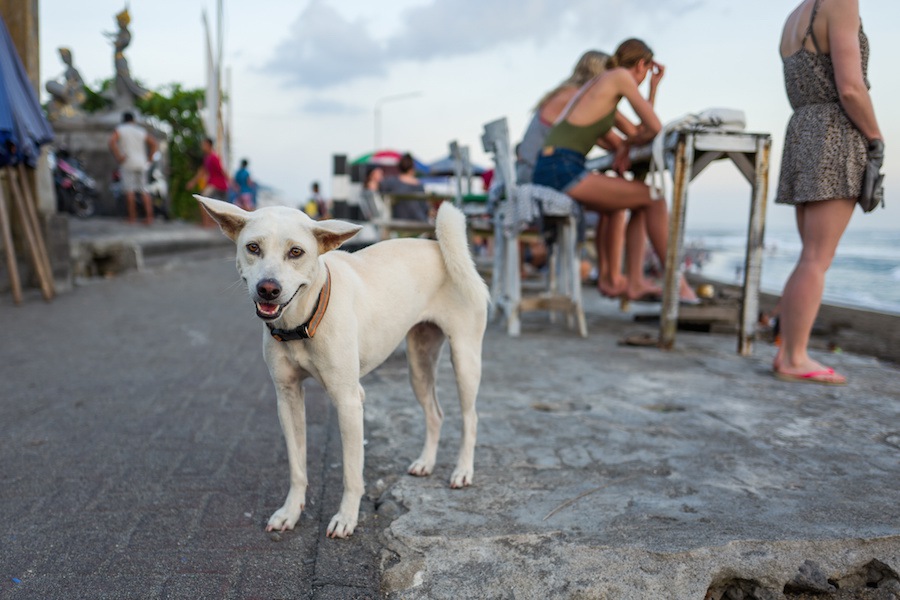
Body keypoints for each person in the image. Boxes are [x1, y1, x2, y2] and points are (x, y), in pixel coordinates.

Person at [532, 38, 697, 303]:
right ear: (642, 64)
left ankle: (631, 282)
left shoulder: (598, 83)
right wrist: (629, 143)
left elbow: (638, 133)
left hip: (552, 167)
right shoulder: (619, 77)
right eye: (646, 74)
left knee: (633, 201)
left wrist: (628, 140)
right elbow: (655, 129)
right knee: (654, 197)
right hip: (560, 168)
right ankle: (676, 284)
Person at [772, 0, 882, 386]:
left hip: (803, 129)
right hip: (834, 131)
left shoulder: (794, 16)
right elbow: (850, 88)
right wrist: (875, 138)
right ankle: (794, 357)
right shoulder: (840, 3)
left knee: (810, 256)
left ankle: (787, 350)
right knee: (817, 259)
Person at [109, 111, 158, 225]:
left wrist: (119, 157)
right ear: (133, 120)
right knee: (144, 190)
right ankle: (149, 217)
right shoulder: (140, 130)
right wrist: (150, 158)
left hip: (127, 162)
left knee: (129, 191)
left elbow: (111, 142)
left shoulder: (120, 129)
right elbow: (154, 143)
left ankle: (132, 217)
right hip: (141, 163)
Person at [186, 137, 230, 227]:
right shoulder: (207, 158)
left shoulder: (214, 157)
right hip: (212, 183)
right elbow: (202, 171)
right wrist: (192, 182)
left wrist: (231, 182)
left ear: (209, 145)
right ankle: (207, 222)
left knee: (203, 200)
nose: (202, 146)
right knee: (207, 202)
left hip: (218, 184)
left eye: (204, 144)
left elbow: (222, 170)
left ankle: (207, 223)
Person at [380, 153, 429, 221]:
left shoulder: (391, 182)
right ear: (412, 169)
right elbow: (425, 208)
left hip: (398, 223)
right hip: (419, 223)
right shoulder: (419, 185)